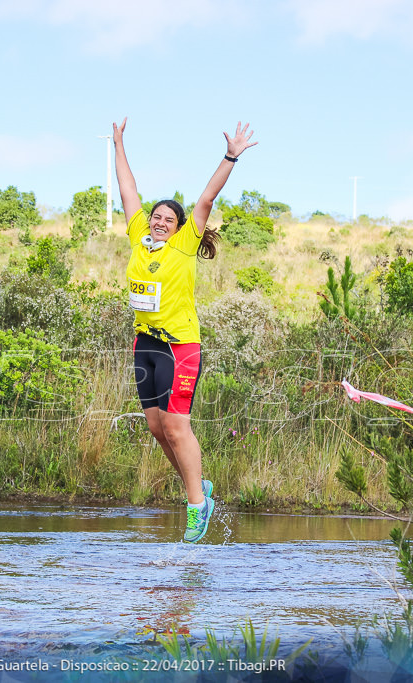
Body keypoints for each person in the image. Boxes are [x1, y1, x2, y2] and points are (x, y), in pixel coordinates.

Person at [112, 117, 257, 543]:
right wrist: (118, 144)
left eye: (166, 219)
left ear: (178, 227)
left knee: (177, 427)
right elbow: (128, 190)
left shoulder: (184, 243)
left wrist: (231, 155)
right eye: (154, 216)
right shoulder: (139, 237)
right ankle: (201, 490)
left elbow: (207, 198)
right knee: (157, 428)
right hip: (146, 345)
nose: (158, 221)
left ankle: (197, 506)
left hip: (180, 347)